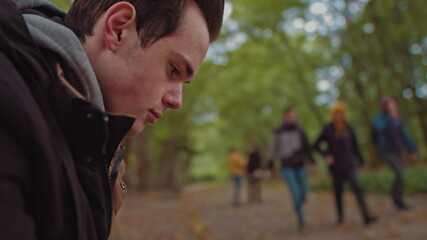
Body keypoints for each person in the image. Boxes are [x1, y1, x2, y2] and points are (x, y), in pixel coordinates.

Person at [0, 0, 224, 239]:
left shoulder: (85, 137)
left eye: (183, 83)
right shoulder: (9, 99)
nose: (177, 101)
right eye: (173, 70)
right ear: (118, 29)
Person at [314, 102, 377, 225]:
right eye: (336, 113)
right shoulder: (328, 128)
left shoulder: (349, 127)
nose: (339, 115)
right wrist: (327, 155)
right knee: (338, 192)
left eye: (341, 113)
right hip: (336, 167)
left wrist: (361, 160)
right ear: (333, 114)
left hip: (349, 164)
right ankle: (341, 217)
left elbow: (355, 146)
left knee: (358, 188)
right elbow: (316, 145)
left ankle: (366, 215)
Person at [268, 107, 315, 231]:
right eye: (291, 116)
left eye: (295, 116)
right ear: (286, 117)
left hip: (300, 166)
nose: (294, 118)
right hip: (287, 167)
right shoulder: (278, 132)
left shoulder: (300, 132)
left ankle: (297, 207)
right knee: (295, 192)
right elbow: (272, 150)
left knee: (304, 192)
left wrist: (312, 161)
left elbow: (307, 148)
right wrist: (271, 165)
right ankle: (300, 219)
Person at [372, 97, 417, 210]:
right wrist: (390, 117)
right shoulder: (380, 119)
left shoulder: (397, 120)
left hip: (398, 151)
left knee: (400, 175)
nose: (394, 106)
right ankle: (396, 199)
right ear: (386, 106)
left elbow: (405, 136)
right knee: (399, 174)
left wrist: (412, 150)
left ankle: (398, 200)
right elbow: (379, 129)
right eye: (391, 104)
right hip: (387, 152)